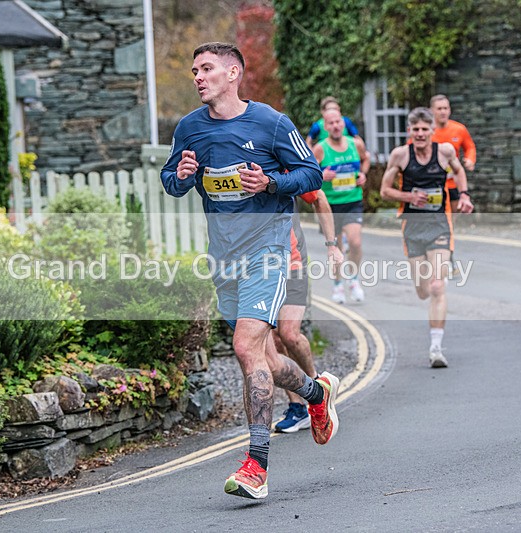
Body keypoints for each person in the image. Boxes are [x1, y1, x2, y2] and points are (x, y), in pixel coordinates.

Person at [160, 42, 340, 501]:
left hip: (269, 250)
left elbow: (313, 175)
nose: (198, 77)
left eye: (207, 69)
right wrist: (180, 174)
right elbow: (171, 183)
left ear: (233, 73)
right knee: (260, 357)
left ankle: (256, 466)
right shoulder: (189, 128)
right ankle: (315, 395)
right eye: (194, 70)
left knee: (244, 346)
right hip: (225, 259)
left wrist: (272, 182)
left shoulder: (271, 123)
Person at [380, 107, 473, 368]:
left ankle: (435, 348)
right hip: (412, 228)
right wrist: (410, 197)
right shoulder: (400, 155)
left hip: (439, 225)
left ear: (433, 130)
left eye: (425, 129)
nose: (420, 134)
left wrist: (464, 195)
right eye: (416, 129)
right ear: (409, 131)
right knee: (422, 291)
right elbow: (385, 191)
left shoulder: (444, 151)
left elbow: (459, 171)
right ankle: (432, 329)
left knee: (437, 286)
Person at [273, 190, 344, 433]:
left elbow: (320, 198)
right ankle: (298, 408)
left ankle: (318, 389)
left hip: (292, 261)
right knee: (273, 340)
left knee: (289, 334)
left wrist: (332, 246)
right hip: (260, 266)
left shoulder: (284, 163)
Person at [311, 108, 371, 304]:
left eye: (338, 122)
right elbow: (307, 172)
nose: (335, 126)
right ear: (325, 126)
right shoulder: (320, 148)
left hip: (352, 201)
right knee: (335, 247)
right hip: (330, 206)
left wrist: (363, 174)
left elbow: (366, 158)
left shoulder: (356, 144)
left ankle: (353, 279)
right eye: (331, 123)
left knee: (355, 243)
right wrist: (321, 175)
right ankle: (337, 284)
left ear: (343, 123)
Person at [429, 94, 476, 213]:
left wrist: (470, 159)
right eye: (439, 109)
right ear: (431, 111)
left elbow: (469, 147)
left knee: (454, 215)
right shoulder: (425, 131)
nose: (443, 112)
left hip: (452, 181)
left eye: (446, 108)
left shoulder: (459, 129)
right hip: (432, 181)